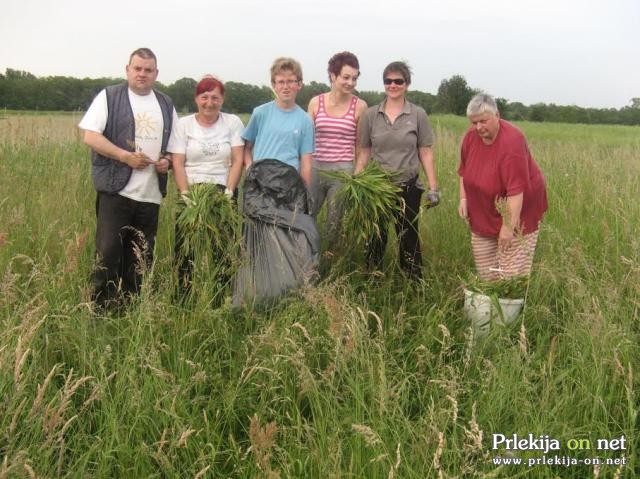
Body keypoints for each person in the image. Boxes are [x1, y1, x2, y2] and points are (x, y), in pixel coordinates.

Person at [79, 47, 179, 310]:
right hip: (116, 190)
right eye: (137, 68)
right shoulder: (110, 96)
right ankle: (99, 312)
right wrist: (125, 157)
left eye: (148, 70)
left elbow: (175, 147)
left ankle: (130, 311)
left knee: (140, 258)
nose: (142, 74)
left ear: (156, 73)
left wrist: (166, 161)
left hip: (151, 195)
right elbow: (90, 136)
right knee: (108, 252)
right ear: (127, 69)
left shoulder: (166, 103)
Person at [354, 61, 439, 279]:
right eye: (388, 81)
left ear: (407, 84)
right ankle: (372, 281)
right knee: (375, 237)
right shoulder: (371, 115)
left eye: (398, 81)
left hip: (408, 187)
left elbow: (425, 151)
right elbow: (364, 151)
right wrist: (356, 179)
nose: (393, 85)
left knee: (408, 238)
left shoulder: (418, 114)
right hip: (377, 188)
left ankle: (413, 284)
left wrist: (433, 187)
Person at [457, 93, 548, 280]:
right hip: (483, 208)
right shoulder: (470, 137)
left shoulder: (512, 142)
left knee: (510, 273)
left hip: (519, 208)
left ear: (497, 115)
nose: (478, 128)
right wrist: (464, 198)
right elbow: (464, 172)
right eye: (474, 123)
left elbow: (516, 192)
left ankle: (510, 306)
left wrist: (508, 228)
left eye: (483, 121)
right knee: (486, 270)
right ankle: (490, 303)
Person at [170, 75, 244, 292]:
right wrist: (185, 194)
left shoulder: (232, 122)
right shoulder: (183, 125)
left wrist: (229, 191)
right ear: (196, 99)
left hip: (222, 189)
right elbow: (178, 161)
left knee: (222, 247)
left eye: (215, 97)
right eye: (204, 97)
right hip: (192, 191)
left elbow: (238, 159)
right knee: (186, 248)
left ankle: (223, 295)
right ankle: (183, 294)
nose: (209, 103)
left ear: (222, 100)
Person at [307, 52, 367, 248]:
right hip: (316, 167)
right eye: (346, 77)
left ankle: (331, 263)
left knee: (335, 222)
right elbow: (306, 140)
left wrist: (357, 174)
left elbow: (360, 145)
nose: (351, 82)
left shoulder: (360, 106)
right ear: (333, 75)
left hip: (343, 171)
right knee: (307, 214)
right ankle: (307, 257)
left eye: (355, 78)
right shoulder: (316, 102)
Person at [242, 57, 314, 187]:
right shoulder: (260, 113)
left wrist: (306, 194)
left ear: (299, 84)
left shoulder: (306, 120)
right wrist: (250, 168)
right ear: (274, 85)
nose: (286, 87)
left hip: (289, 185)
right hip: (260, 182)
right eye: (281, 82)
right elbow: (246, 148)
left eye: (291, 81)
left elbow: (306, 163)